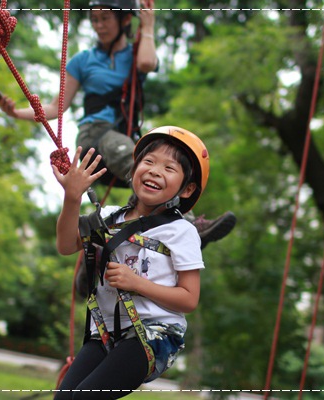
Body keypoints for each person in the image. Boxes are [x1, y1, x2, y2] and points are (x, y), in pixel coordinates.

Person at [0, 0, 236, 249]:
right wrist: (15, 112)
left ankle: (143, 232)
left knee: (150, 182)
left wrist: (148, 25)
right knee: (145, 168)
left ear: (123, 20)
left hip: (123, 138)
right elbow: (55, 107)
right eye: (94, 19)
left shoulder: (134, 54)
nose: (99, 25)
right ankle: (188, 222)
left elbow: (147, 63)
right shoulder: (83, 61)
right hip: (96, 136)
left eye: (105, 18)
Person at [52, 125, 207, 398]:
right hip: (106, 331)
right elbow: (66, 245)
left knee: (85, 397)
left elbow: (189, 299)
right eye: (148, 162)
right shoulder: (110, 217)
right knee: (65, 396)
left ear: (187, 189)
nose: (155, 171)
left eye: (169, 168)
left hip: (154, 335)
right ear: (133, 170)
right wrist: (72, 197)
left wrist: (137, 283)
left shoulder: (181, 232)